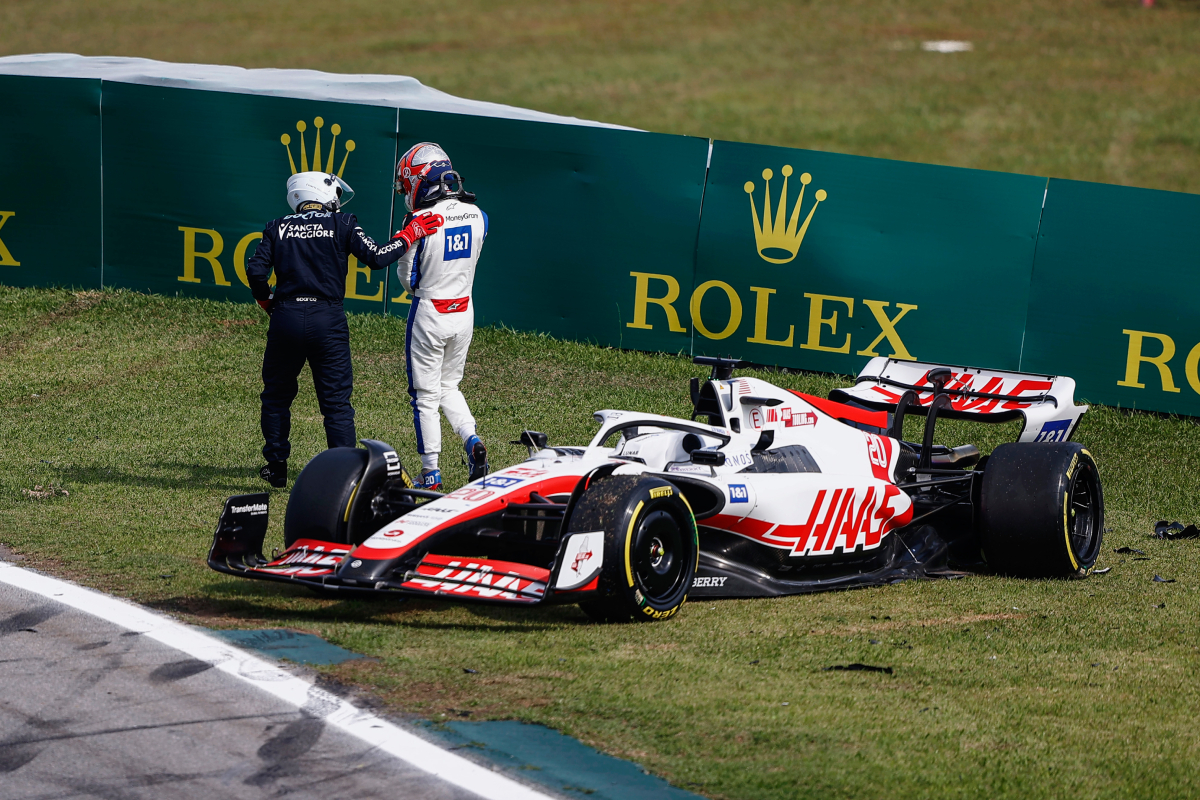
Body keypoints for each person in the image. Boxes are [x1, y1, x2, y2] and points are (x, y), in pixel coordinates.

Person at [247, 171, 444, 488]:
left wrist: (267, 301)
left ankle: (276, 467)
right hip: (328, 320)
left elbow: (255, 270)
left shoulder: (276, 227)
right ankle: (343, 477)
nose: (338, 201)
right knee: (336, 403)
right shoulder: (343, 223)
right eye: (335, 195)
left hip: (286, 317)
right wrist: (411, 234)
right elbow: (378, 258)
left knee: (276, 397)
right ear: (320, 193)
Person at [394, 142, 489, 490]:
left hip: (430, 310)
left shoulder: (418, 220)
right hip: (464, 309)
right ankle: (472, 441)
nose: (407, 191)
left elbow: (408, 280)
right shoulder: (479, 214)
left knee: (425, 396)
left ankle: (431, 473)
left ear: (422, 179)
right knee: (450, 386)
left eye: (408, 183)